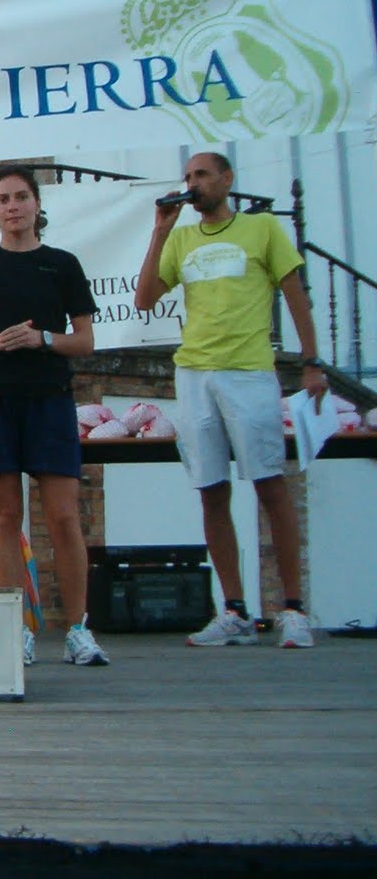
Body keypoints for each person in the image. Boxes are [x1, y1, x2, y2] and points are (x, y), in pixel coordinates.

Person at [134, 151, 325, 649]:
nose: (193, 183)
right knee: (211, 489)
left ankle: (293, 608)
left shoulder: (261, 229)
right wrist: (160, 230)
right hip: (195, 372)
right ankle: (236, 610)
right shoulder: (181, 237)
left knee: (270, 485)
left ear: (226, 179)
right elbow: (145, 298)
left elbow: (295, 292)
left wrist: (311, 362)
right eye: (188, 176)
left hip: (249, 371)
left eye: (201, 174)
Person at [0, 165, 109, 666]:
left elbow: (84, 342)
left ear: (37, 205)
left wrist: (43, 339)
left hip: (50, 399)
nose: (13, 206)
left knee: (63, 518)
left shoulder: (62, 264)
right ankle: (16, 628)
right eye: (3, 199)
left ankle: (79, 629)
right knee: (3, 516)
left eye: (21, 197)